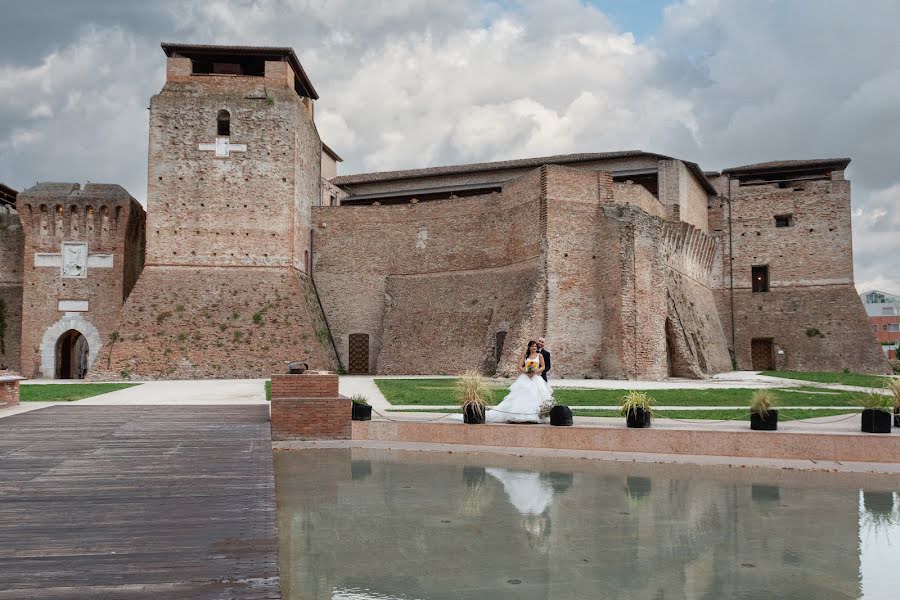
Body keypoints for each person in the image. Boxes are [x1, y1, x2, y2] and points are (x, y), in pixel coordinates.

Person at [485, 340, 554, 423]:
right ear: (529, 347)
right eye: (532, 346)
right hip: (525, 377)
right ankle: (518, 414)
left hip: (535, 377)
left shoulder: (540, 355)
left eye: (535, 346)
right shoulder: (525, 355)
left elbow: (543, 367)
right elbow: (519, 366)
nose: (534, 348)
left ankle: (535, 415)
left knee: (535, 395)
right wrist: (526, 372)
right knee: (521, 395)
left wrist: (535, 371)